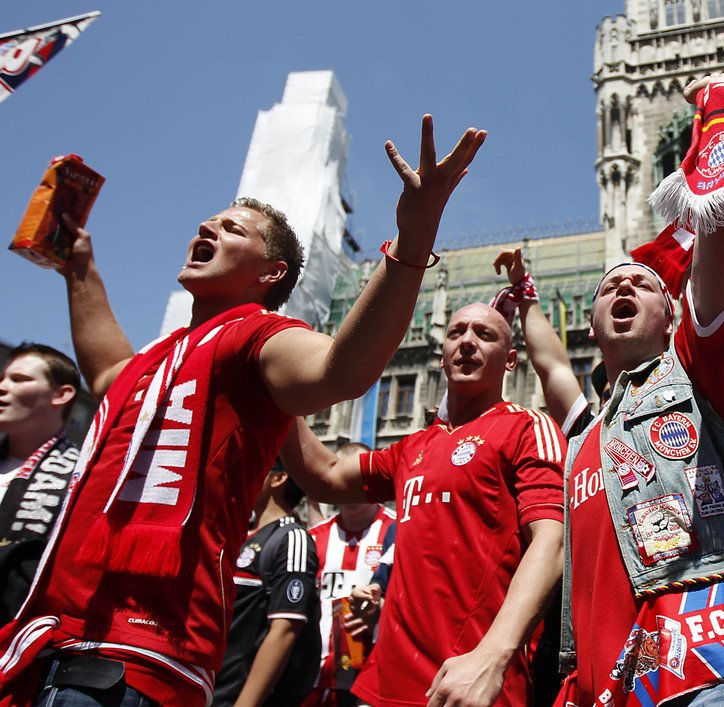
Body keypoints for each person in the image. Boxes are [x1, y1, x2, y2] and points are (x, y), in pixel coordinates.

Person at [0, 116, 486, 707]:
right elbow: (110, 377)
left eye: (232, 228)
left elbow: (341, 371)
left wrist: (412, 238)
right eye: (209, 221)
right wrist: (80, 266)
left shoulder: (258, 339)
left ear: (270, 273)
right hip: (54, 638)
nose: (207, 225)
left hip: (135, 659)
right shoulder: (163, 363)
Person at [501, 73, 724, 706]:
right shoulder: (585, 433)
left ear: (672, 317)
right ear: (591, 325)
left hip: (710, 671)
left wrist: (718, 127)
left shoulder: (695, 378)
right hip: (608, 684)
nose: (624, 286)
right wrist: (525, 301)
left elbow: (713, 279)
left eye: (643, 284)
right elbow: (552, 369)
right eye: (610, 286)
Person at [279, 302, 566, 707]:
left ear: (511, 360)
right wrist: (275, 387)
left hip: (470, 687)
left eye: (484, 334)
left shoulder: (528, 427)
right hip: (382, 688)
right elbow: (324, 475)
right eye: (456, 332)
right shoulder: (413, 447)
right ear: (442, 355)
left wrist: (493, 655)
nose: (467, 341)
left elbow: (553, 541)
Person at [213, 465, 320, 707]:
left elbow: (285, 629)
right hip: (209, 691)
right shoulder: (238, 533)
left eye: (255, 464)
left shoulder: (292, 539)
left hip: (240, 697)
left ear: (279, 478)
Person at [304, 442, 397, 707]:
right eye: (344, 475)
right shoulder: (314, 538)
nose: (350, 485)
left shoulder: (399, 530)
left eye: (358, 476)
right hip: (314, 680)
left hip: (376, 680)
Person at [0, 343, 81, 623]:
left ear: (61, 394)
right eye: (3, 378)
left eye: (19, 379)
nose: (3, 387)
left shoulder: (82, 479)